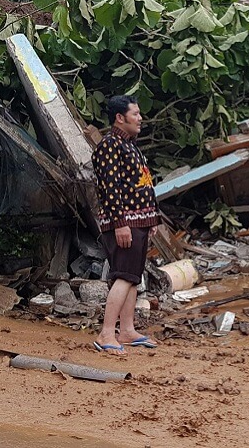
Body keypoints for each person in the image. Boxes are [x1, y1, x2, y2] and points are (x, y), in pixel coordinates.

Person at [91, 95, 160, 355]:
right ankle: (106, 333)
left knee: (131, 278)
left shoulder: (130, 145)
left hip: (137, 222)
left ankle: (127, 330)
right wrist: (120, 224)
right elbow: (111, 188)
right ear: (120, 117)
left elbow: (142, 185)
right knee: (123, 276)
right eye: (135, 114)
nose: (140, 118)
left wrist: (152, 219)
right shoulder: (110, 145)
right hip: (124, 223)